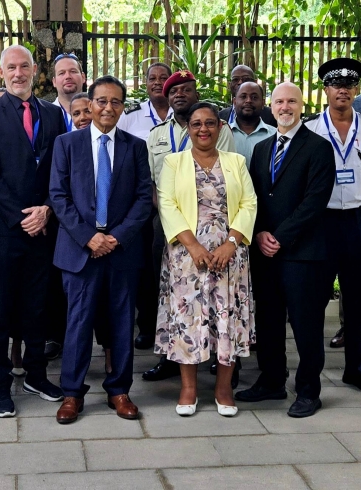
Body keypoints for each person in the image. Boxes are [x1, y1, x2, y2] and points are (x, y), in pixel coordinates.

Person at [49, 76, 153, 424]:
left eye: (116, 102)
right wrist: (87, 237)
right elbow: (59, 196)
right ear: (90, 104)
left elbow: (143, 199)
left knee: (122, 322)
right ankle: (72, 394)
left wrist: (116, 237)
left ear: (123, 108)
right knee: (77, 323)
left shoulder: (135, 146)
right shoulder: (67, 144)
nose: (109, 108)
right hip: (80, 251)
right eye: (102, 101)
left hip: (121, 251)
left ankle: (119, 391)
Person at [0, 45, 69, 417]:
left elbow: (61, 169)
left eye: (24, 66)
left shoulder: (52, 114)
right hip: (3, 229)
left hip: (44, 228)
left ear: (34, 70)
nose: (18, 73)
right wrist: (20, 216)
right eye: (10, 68)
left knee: (37, 307)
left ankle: (36, 374)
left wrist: (46, 209)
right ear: (0, 72)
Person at [234, 82, 334, 418]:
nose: (285, 107)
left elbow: (315, 201)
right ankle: (272, 380)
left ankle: (308, 390)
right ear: (271, 107)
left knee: (306, 325)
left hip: (303, 254)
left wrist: (280, 236)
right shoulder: (262, 148)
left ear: (302, 106)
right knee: (269, 321)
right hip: (266, 252)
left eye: (291, 101)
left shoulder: (319, 148)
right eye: (279, 101)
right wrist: (260, 232)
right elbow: (254, 198)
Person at [156, 102, 256, 417]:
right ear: (189, 129)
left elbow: (249, 203)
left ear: (220, 127)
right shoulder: (174, 162)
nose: (203, 129)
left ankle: (224, 388)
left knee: (227, 318)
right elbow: (167, 203)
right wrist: (194, 246)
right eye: (197, 124)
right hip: (186, 256)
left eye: (210, 123)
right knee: (188, 317)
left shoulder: (236, 161)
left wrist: (231, 242)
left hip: (230, 255)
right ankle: (188, 387)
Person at [142, 70, 235, 381]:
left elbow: (229, 179)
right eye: (173, 91)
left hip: (215, 223)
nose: (179, 94)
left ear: (196, 94)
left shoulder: (216, 129)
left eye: (186, 89)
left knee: (216, 292)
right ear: (167, 99)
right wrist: (172, 216)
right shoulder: (156, 135)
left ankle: (216, 356)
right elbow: (152, 183)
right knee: (172, 293)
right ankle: (172, 356)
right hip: (168, 224)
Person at [305, 58, 361, 395]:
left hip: (358, 221)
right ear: (325, 90)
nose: (342, 89)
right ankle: (312, 371)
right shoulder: (310, 129)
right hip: (321, 222)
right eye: (335, 84)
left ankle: (357, 368)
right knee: (314, 298)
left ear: (357, 89)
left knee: (360, 298)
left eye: (349, 84)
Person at [117, 63, 172, 140]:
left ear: (171, 83)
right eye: (152, 79)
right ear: (146, 83)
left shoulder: (181, 114)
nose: (157, 82)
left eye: (163, 78)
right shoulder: (130, 115)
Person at [227, 81, 276, 163]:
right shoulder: (223, 134)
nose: (248, 101)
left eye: (254, 97)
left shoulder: (274, 135)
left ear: (263, 103)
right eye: (243, 97)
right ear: (234, 102)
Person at [51, 53, 87, 131]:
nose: (68, 76)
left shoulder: (96, 113)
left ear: (83, 77)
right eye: (61, 73)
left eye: (73, 71)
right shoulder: (45, 115)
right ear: (54, 82)